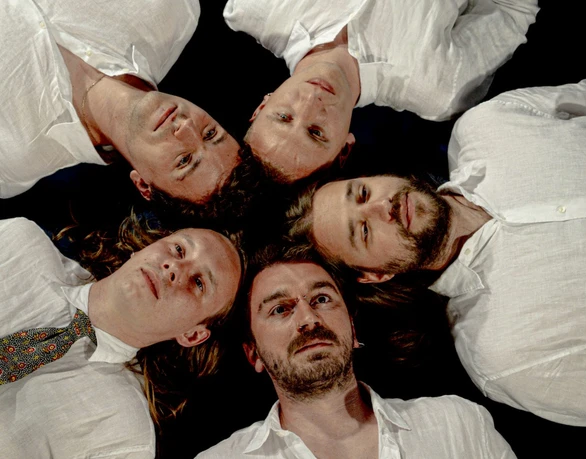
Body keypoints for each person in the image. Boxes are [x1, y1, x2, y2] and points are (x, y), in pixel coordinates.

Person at [286, 76, 586, 426]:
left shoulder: (490, 125)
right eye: (364, 230)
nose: (383, 206)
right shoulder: (504, 355)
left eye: (363, 193)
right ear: (375, 274)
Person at [196, 251, 515, 458]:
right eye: (280, 309)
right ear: (253, 354)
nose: (309, 319)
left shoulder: (456, 423)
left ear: (352, 328)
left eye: (321, 299)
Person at [0, 216, 242, 457]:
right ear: (144, 247)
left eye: (198, 283)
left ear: (192, 335)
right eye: (179, 250)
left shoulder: (122, 439)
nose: (174, 268)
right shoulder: (19, 243)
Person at [223, 0, 539, 182]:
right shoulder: (438, 89)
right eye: (316, 132)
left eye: (284, 116)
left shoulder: (254, 9)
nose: (310, 103)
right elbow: (510, 7)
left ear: (262, 106)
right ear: (345, 147)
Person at [0, 0, 240, 211]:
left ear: (143, 185)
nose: (186, 128)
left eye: (184, 160)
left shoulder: (11, 165)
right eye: (210, 133)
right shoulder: (173, 12)